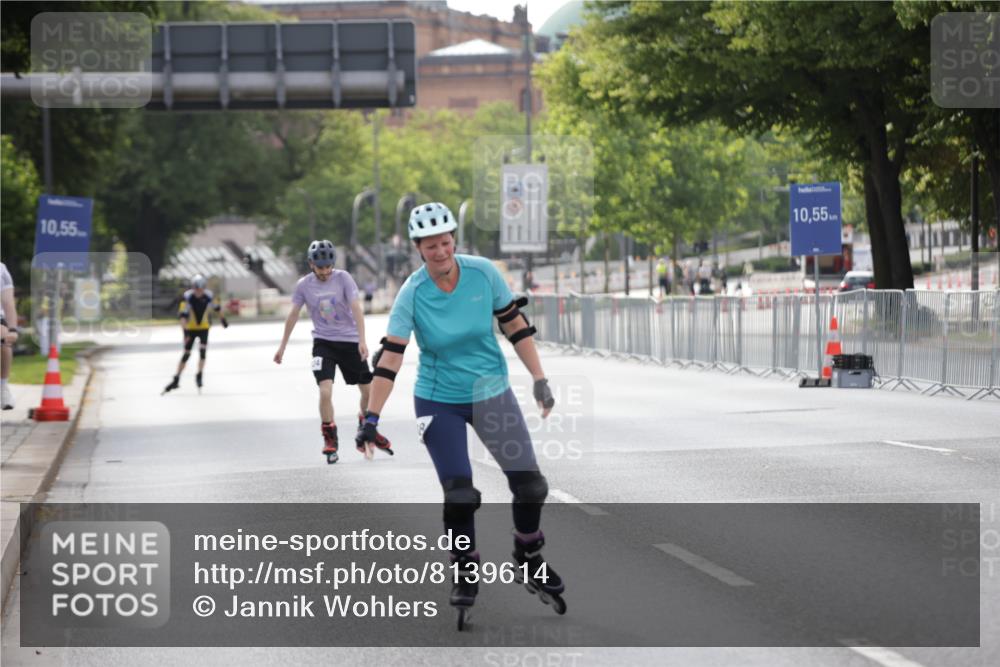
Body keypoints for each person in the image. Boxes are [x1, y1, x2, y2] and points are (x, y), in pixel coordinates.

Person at [356, 202, 566, 621]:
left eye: (446, 243)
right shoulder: (413, 292)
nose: (440, 252)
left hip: (491, 391)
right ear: (417, 248)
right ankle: (466, 570)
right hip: (438, 399)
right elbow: (391, 357)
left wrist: (539, 378)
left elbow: (514, 325)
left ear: (455, 241)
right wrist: (371, 418)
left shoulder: (484, 273)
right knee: (460, 496)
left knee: (531, 487)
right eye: (430, 246)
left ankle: (527, 553)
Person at [273, 240, 391, 464]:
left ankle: (364, 427)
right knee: (325, 391)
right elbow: (293, 314)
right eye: (320, 268)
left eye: (328, 267)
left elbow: (356, 307)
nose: (325, 272)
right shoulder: (304, 285)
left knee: (368, 391)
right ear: (311, 264)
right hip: (323, 343)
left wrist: (362, 340)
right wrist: (282, 346)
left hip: (350, 342)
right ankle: (330, 438)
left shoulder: (343, 278)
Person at [162, 274, 228, 395]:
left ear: (203, 287)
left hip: (204, 328)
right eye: (196, 288)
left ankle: (199, 374)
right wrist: (186, 333)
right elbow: (182, 317)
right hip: (190, 329)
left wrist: (223, 319)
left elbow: (217, 308)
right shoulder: (187, 297)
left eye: (200, 288)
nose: (198, 291)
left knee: (203, 352)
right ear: (193, 288)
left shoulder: (209, 296)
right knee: (186, 354)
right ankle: (176, 378)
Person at [1, 262, 18, 410]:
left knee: (3, 336)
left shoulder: (1, 270)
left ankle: (3, 386)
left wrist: (12, 329)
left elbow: (8, 303)